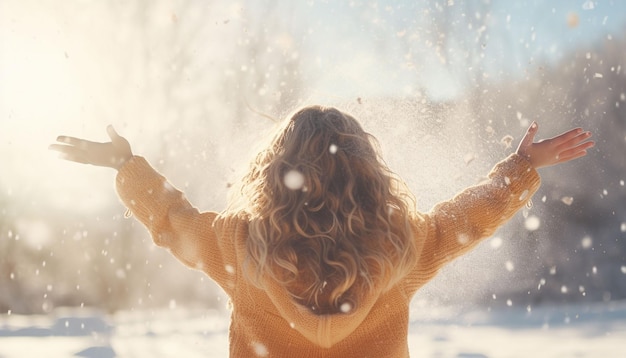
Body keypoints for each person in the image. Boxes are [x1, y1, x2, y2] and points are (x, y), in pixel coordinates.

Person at [49, 106, 594, 357]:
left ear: (273, 174)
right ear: (368, 176)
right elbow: (468, 221)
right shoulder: (403, 250)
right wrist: (520, 168)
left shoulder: (240, 247)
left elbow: (173, 220)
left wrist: (127, 166)